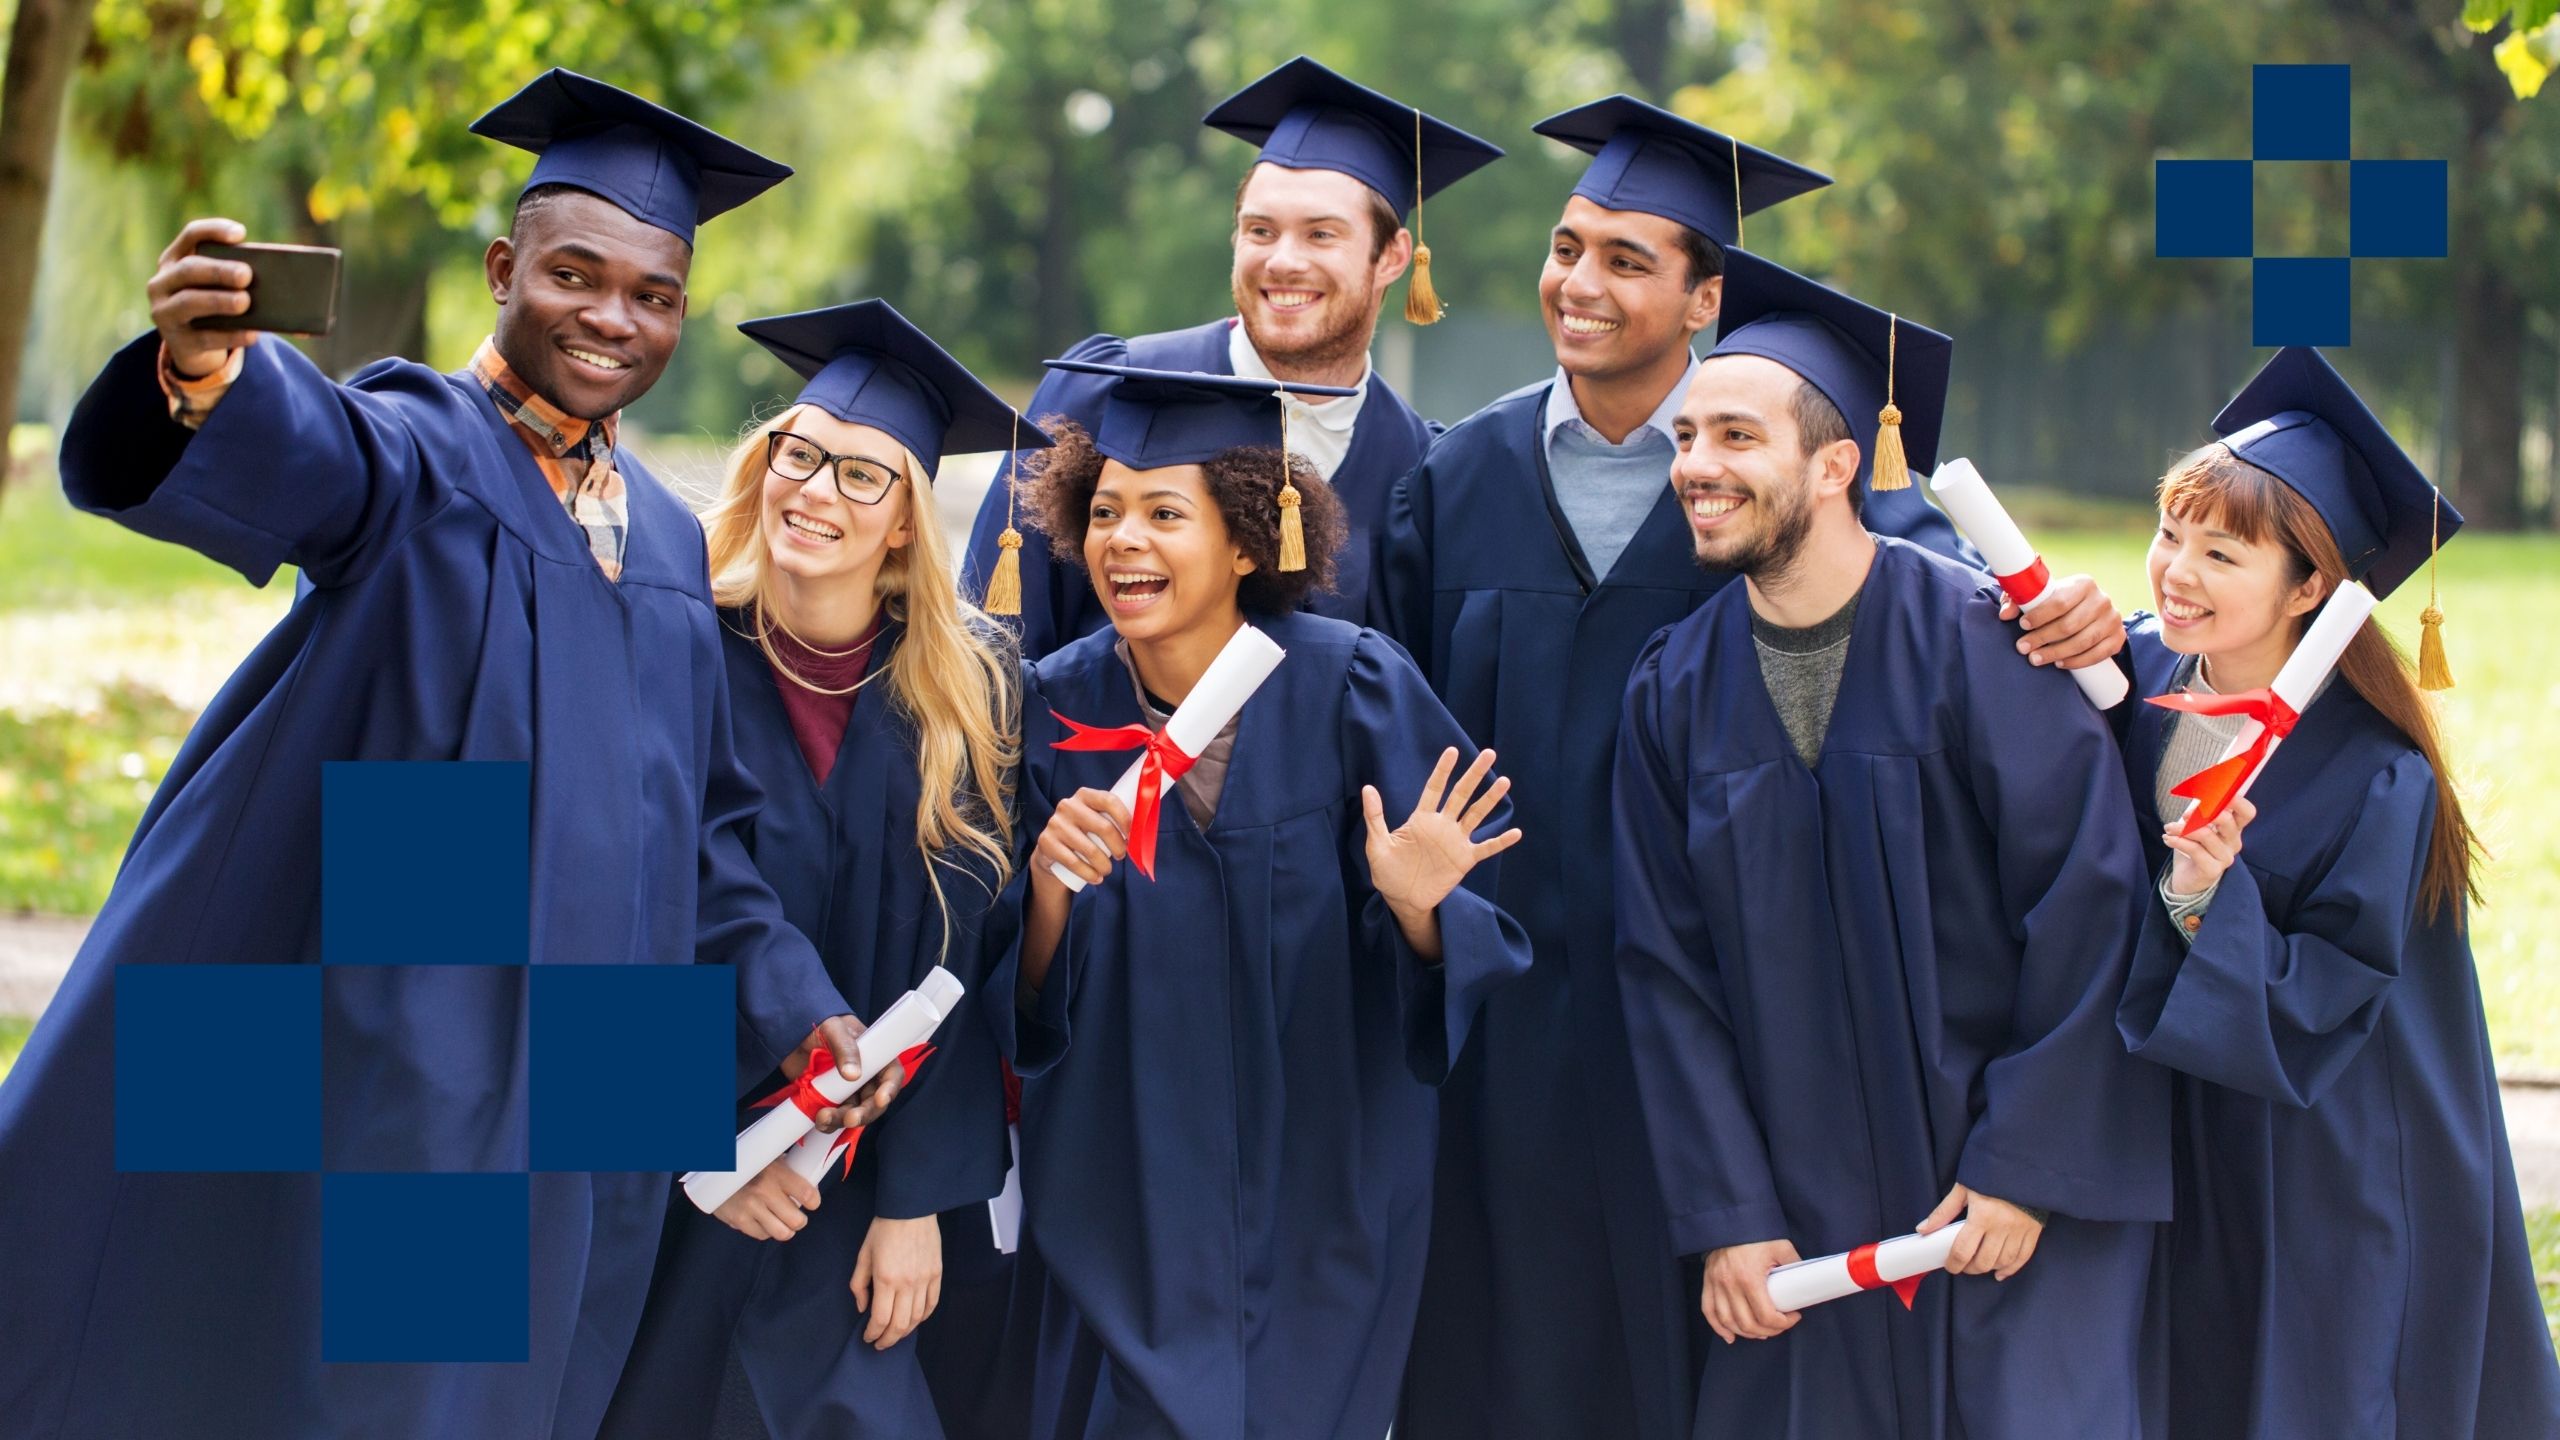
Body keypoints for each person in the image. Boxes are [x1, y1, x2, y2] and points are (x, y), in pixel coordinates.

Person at [0, 71, 899, 1440]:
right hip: (426, 1064)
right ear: (503, 271)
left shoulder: (663, 542)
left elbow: (703, 830)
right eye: (576, 275)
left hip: (602, 1074)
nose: (611, 316)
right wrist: (202, 376)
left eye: (651, 293)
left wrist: (792, 1000)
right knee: (405, 1401)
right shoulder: (420, 453)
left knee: (559, 1386)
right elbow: (316, 448)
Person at [1373, 96, 2123, 1440]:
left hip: (1767, 1040)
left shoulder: (1829, 522)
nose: (1579, 281)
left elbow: (1977, 672)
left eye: (1628, 257)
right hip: (1517, 1022)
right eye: (1566, 246)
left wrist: (2087, 617)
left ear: (1706, 297)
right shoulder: (1453, 479)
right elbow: (1391, 731)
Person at [1611, 249, 2169, 1440]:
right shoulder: (1673, 688)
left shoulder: (1985, 648)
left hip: (1992, 1204)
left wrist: (2029, 1161)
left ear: (1834, 465)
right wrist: (1725, 1210)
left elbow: (2089, 907)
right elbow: (1665, 971)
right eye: (1686, 437)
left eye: (1736, 438)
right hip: (1794, 1226)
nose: (1697, 467)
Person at [993, 361, 1534, 1439]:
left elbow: (1454, 956)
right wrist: (1049, 886)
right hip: (1119, 1192)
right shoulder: (1045, 710)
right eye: (1102, 514)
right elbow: (1013, 997)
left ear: (1246, 538)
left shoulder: (1354, 686)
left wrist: (1419, 905)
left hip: (1322, 1188)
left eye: (1162, 513)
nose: (1123, 541)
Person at [594, 302, 1030, 1440]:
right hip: (674, 1176)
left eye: (862, 476)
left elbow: (968, 967)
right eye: (800, 455)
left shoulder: (966, 697)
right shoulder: (672, 647)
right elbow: (625, 916)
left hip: (862, 1191)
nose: (817, 492)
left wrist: (918, 1198)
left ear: (906, 524)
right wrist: (693, 1150)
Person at [2110, 346, 2560, 1439]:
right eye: (2172, 533)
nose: (2176, 571)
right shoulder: (2126, 683)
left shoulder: (2374, 772)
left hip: (2335, 1143)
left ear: (2310, 587)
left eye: (2222, 552)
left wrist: (2205, 899)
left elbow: (2327, 993)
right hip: (2183, 1125)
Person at [961, 57, 1500, 654]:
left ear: (1395, 257)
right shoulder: (1109, 391)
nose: (1283, 260)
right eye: (1261, 231)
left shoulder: (1420, 465)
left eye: (1322, 234)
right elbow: (994, 641)